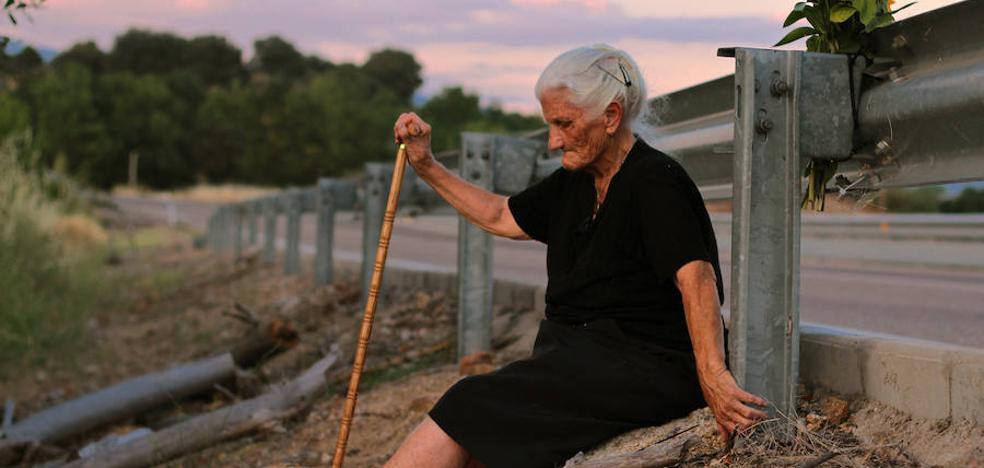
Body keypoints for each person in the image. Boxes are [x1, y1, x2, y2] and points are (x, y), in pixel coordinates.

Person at [385, 44, 767, 468]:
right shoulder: (574, 180)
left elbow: (696, 279)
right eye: (550, 124)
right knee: (478, 446)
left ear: (611, 116)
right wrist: (427, 166)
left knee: (469, 400)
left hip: (643, 366)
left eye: (564, 123)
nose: (553, 141)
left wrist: (713, 376)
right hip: (578, 360)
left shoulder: (655, 180)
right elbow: (500, 215)